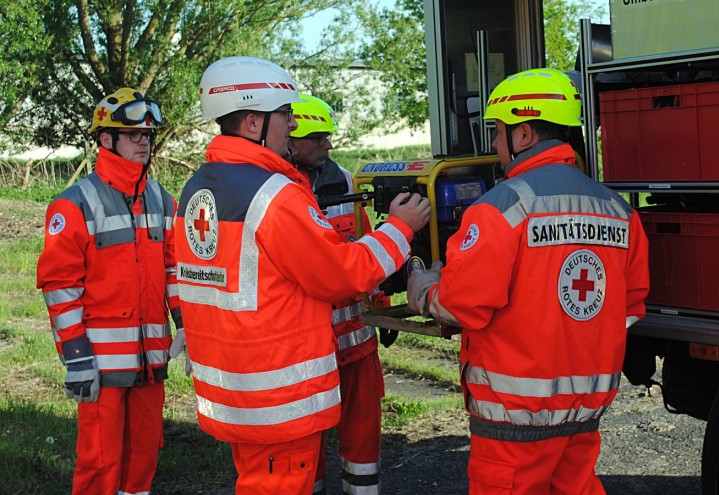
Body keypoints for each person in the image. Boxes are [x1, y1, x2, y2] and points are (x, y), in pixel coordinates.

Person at [174, 56, 430, 495]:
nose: (292, 126)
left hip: (236, 389)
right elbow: (343, 274)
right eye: (285, 114)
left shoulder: (197, 188)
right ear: (253, 121)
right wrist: (401, 227)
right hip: (278, 398)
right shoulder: (275, 194)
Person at [407, 68, 650, 494]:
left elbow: (460, 304)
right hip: (583, 415)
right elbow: (626, 310)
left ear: (524, 135)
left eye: (499, 133)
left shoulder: (500, 208)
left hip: (514, 421)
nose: (496, 145)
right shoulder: (619, 212)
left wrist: (423, 288)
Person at [36, 87, 184, 495]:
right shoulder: (74, 205)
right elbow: (59, 287)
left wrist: (185, 323)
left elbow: (173, 268)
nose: (144, 143)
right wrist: (77, 356)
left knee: (143, 462)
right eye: (133, 135)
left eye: (148, 136)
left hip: (152, 360)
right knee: (100, 465)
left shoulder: (161, 199)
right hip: (99, 365)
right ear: (106, 140)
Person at [288, 93, 388, 495]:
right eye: (318, 137)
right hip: (307, 353)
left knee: (363, 441)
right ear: (291, 141)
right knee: (305, 448)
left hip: (357, 342)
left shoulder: (344, 181)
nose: (328, 145)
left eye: (328, 136)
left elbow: (365, 245)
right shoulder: (278, 191)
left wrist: (380, 304)